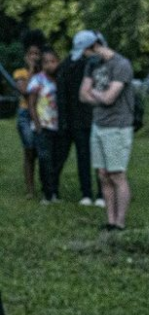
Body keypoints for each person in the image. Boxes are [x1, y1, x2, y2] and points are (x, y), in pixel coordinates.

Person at [77, 30, 135, 231]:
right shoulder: (92, 65)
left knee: (117, 175)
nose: (84, 58)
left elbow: (110, 98)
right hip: (98, 125)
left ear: (94, 46)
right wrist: (98, 95)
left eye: (85, 52)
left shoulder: (121, 65)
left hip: (118, 127)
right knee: (103, 174)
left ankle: (120, 223)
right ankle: (110, 221)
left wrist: (94, 93)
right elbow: (82, 95)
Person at [56, 33, 106, 207]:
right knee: (83, 157)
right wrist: (64, 120)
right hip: (77, 120)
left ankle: (101, 194)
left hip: (97, 118)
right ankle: (86, 193)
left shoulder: (102, 63)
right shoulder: (67, 65)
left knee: (100, 159)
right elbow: (61, 96)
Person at [12, 30, 45, 199]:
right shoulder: (20, 73)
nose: (34, 56)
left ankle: (46, 185)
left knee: (42, 151)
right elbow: (25, 90)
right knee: (29, 149)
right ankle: (30, 189)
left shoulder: (45, 73)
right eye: (31, 54)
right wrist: (31, 70)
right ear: (26, 55)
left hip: (41, 113)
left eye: (37, 54)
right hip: (26, 113)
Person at [27, 47, 61, 204]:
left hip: (58, 126)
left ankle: (54, 191)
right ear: (42, 64)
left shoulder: (60, 79)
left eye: (53, 61)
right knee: (44, 159)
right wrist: (37, 124)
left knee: (55, 160)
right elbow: (31, 104)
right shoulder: (37, 80)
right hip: (43, 125)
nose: (50, 65)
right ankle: (47, 194)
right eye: (46, 62)